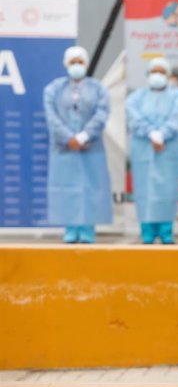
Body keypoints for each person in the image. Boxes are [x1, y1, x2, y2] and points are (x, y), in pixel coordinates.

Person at [43, 46, 112, 243]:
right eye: (72, 62)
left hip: (91, 148)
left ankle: (88, 229)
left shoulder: (98, 89)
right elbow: (52, 117)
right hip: (64, 149)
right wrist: (68, 138)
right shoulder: (53, 89)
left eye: (80, 62)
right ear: (66, 64)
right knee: (67, 188)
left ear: (86, 63)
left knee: (90, 188)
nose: (76, 66)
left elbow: (102, 113)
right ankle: (70, 229)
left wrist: (84, 136)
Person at [126, 57, 178, 244]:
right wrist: (152, 134)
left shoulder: (177, 95)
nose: (158, 75)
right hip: (143, 152)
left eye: (162, 71)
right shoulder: (137, 97)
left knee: (168, 192)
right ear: (147, 74)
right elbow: (133, 117)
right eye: (154, 71)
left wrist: (163, 134)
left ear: (168, 75)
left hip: (169, 153)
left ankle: (166, 232)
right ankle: (147, 232)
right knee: (145, 192)